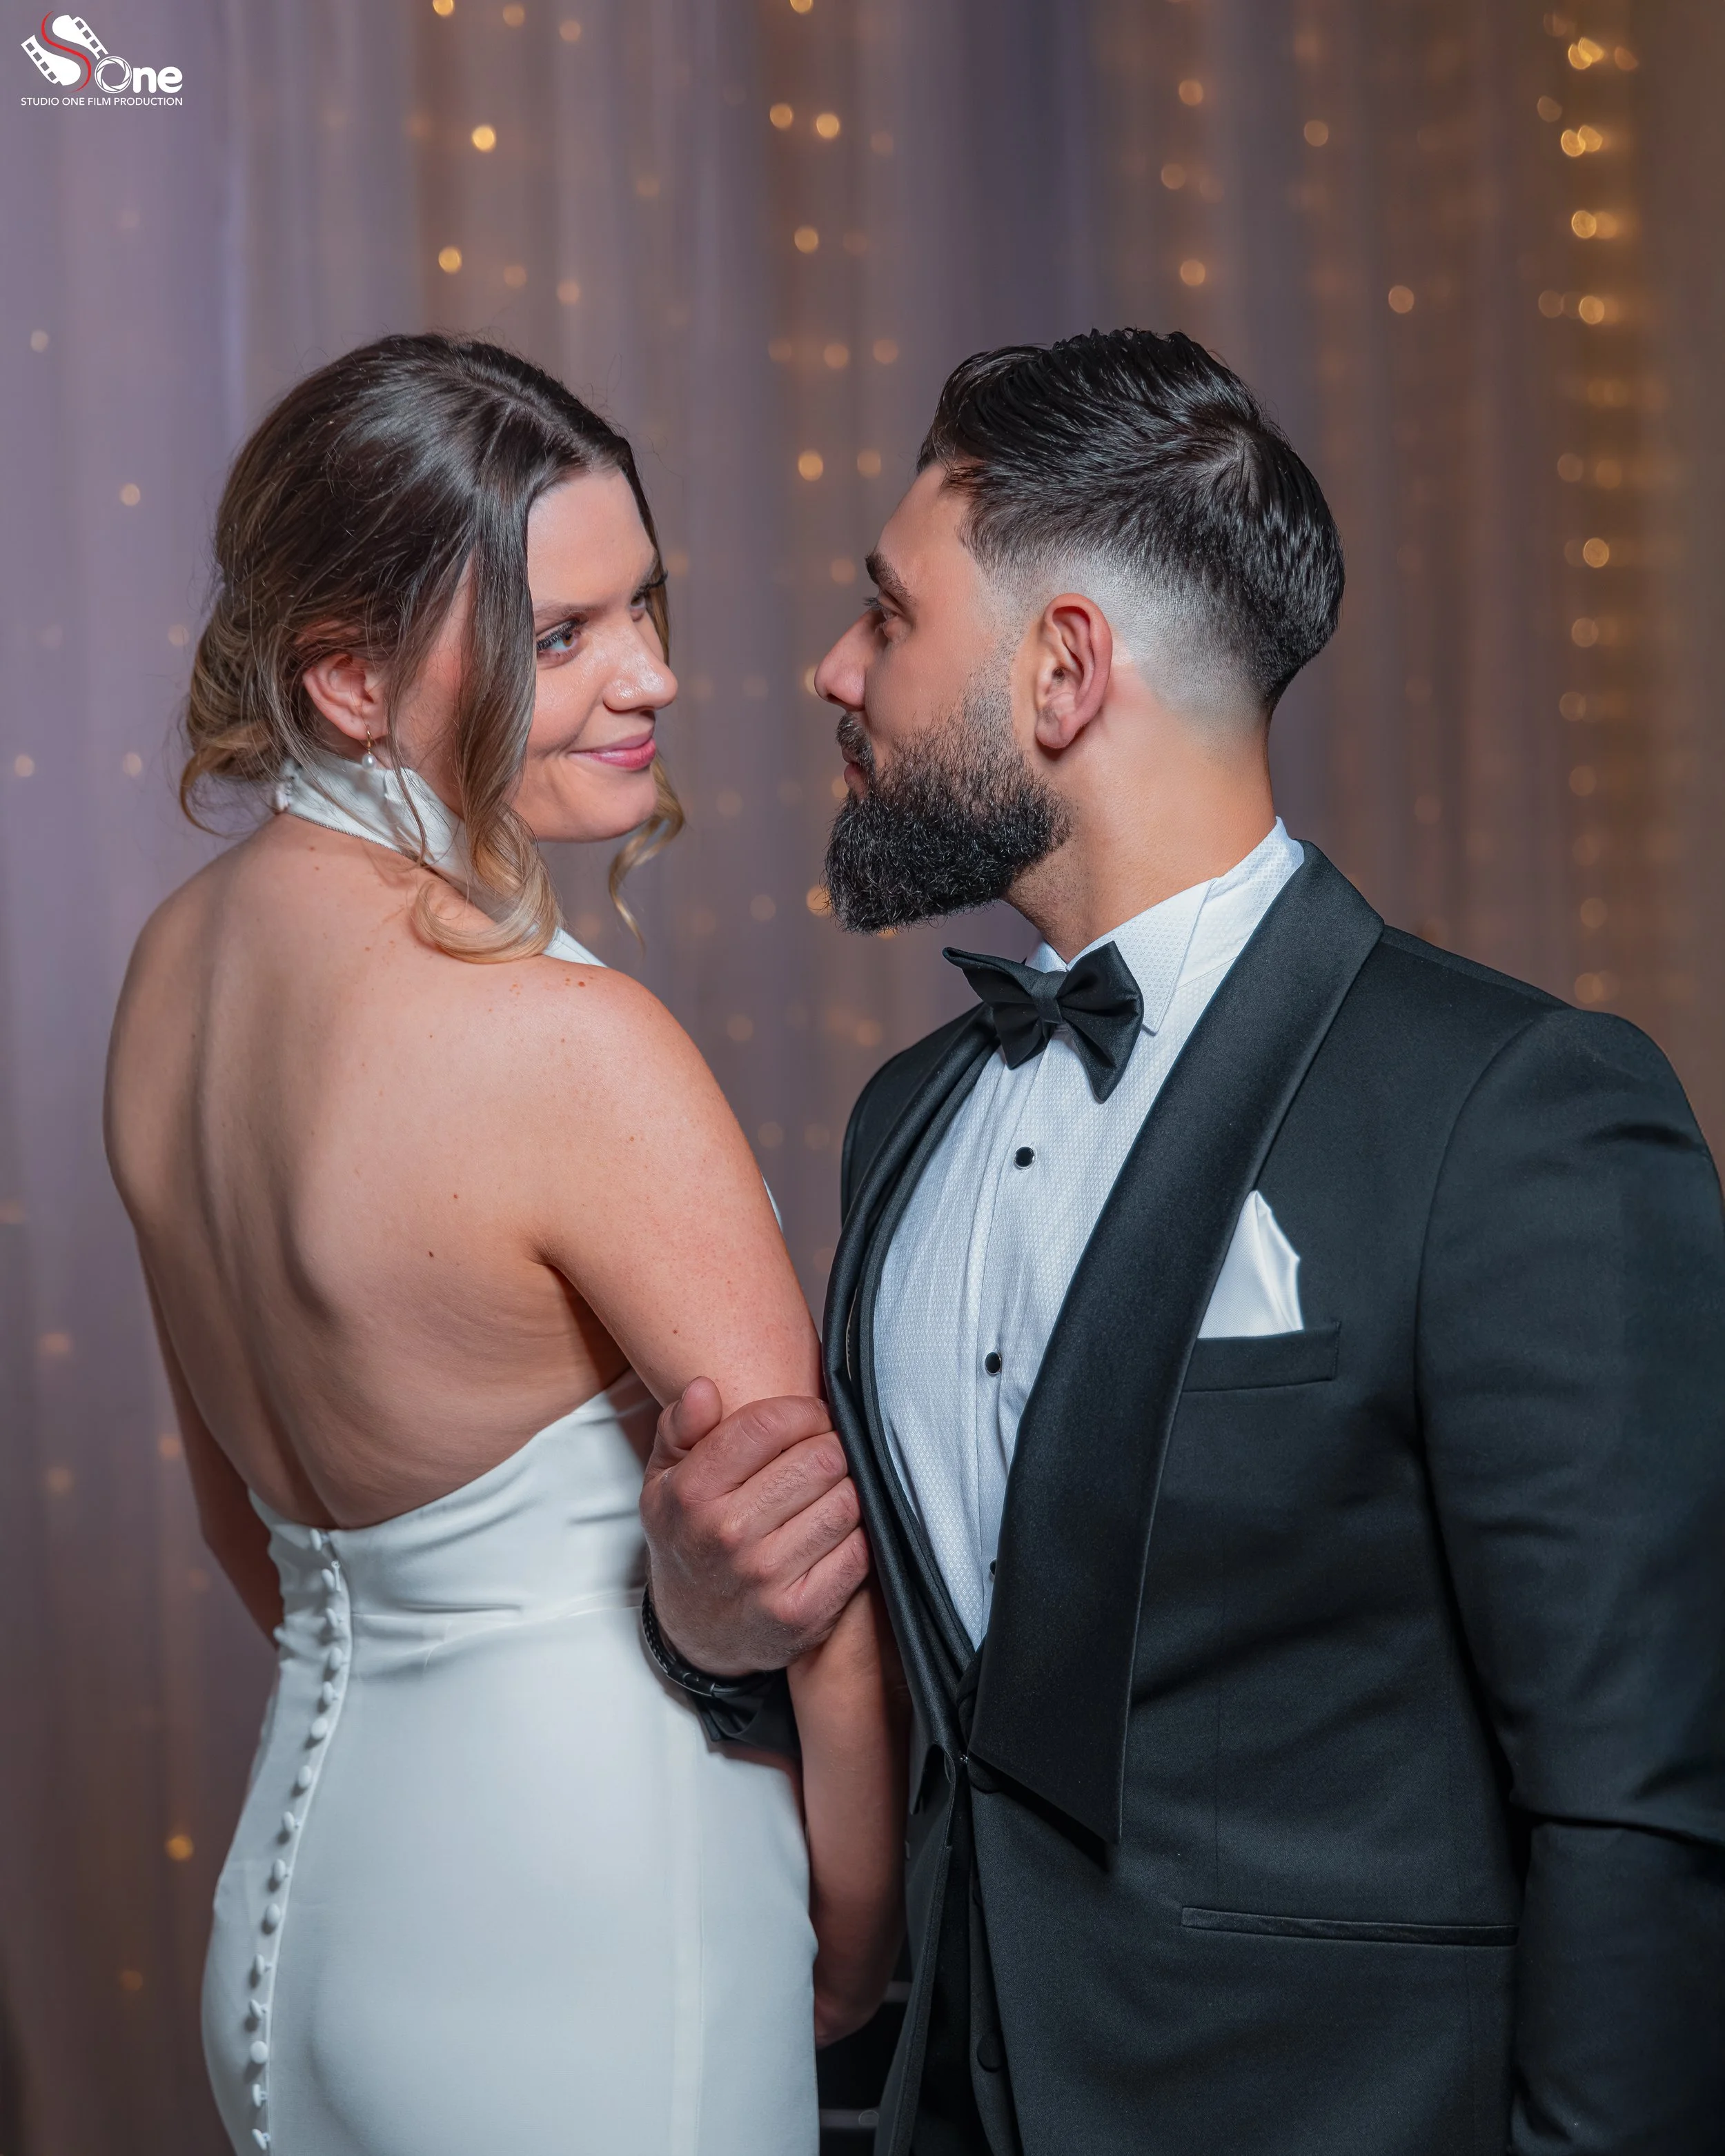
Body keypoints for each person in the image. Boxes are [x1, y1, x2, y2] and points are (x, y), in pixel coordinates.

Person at [639, 330, 1725, 2156]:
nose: (834, 670)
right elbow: (941, 1692)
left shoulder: (1515, 1106)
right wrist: (703, 1623)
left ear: (1062, 668)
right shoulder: (903, 1121)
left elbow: (1642, 1803)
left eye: (884, 614)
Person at [104, 333, 903, 2156]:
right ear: (352, 679)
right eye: (562, 637)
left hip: (298, 1931)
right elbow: (814, 1590)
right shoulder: (566, 1042)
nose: (656, 677)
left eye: (647, 606)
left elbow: (252, 1520)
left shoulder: (169, 978)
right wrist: (852, 1941)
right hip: (596, 1920)